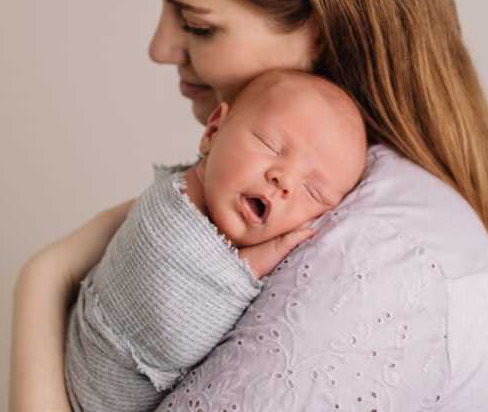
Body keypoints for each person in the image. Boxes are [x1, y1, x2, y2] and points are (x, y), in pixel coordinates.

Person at [9, 0, 488, 411]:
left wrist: (44, 282)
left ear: (322, 29)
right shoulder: (329, 215)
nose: (160, 48)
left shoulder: (373, 260)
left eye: (197, 24)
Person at [64, 69, 368, 412]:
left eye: (314, 191)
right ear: (212, 131)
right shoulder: (167, 212)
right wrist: (260, 259)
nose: (283, 181)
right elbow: (171, 330)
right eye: (271, 145)